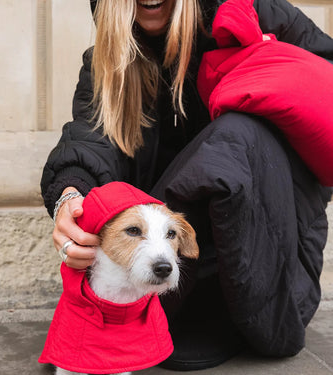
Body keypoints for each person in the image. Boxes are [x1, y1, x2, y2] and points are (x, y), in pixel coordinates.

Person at [41, 0, 333, 370]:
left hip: (266, 237)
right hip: (169, 264)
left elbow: (325, 88)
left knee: (234, 139)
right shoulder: (106, 64)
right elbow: (89, 142)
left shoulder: (253, 11)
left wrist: (267, 65)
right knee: (223, 150)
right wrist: (69, 197)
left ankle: (258, 313)